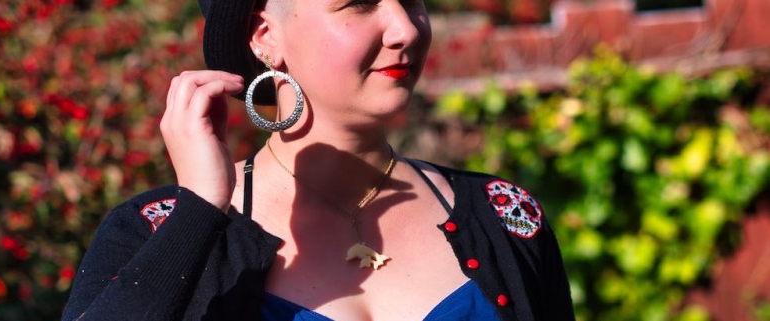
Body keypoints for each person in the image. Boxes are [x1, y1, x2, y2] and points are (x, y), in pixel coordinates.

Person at [62, 0, 575, 320]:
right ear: (265, 35)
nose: (406, 28)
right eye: (359, 2)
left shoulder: (504, 216)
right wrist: (197, 210)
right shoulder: (155, 232)